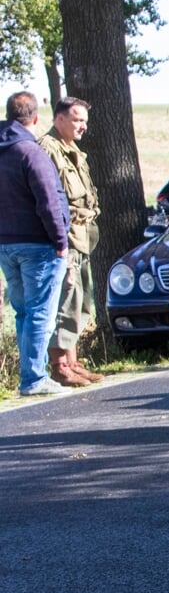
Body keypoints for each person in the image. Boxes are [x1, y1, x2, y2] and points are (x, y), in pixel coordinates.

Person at [0, 91, 71, 396]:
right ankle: (34, 378)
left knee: (23, 312)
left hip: (6, 244)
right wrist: (60, 239)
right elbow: (49, 201)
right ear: (35, 118)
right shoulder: (31, 152)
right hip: (38, 245)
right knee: (40, 311)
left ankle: (31, 374)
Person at [39, 97, 103, 387]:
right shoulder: (47, 149)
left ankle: (73, 361)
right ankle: (59, 365)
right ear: (59, 119)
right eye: (77, 120)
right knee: (67, 299)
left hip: (82, 235)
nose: (82, 127)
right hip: (65, 236)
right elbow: (49, 196)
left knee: (80, 301)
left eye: (85, 121)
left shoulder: (72, 150)